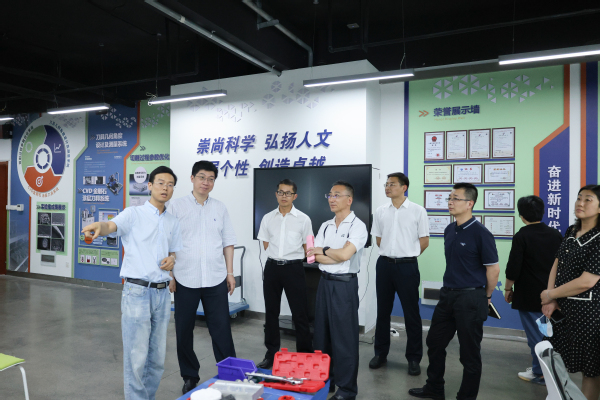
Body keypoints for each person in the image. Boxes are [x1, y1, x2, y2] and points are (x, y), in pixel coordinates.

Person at [81, 166, 182, 400]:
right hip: (137, 292)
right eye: (160, 183)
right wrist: (99, 227)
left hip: (162, 294)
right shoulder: (133, 214)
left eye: (170, 185)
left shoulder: (173, 222)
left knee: (157, 358)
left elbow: (173, 252)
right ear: (150, 186)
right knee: (136, 357)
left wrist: (172, 260)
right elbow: (110, 226)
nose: (165, 188)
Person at [409, 183, 499, 400]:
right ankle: (434, 388)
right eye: (449, 198)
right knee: (435, 342)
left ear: (470, 204)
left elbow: (493, 269)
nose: (450, 202)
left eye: (455, 198)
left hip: (471, 297)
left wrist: (486, 296)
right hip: (448, 295)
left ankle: (466, 397)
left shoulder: (481, 233)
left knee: (469, 353)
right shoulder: (449, 230)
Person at [168, 160, 237, 394]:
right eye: (201, 177)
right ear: (192, 178)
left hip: (215, 278)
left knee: (222, 330)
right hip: (184, 278)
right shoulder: (176, 207)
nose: (205, 182)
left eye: (210, 179)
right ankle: (189, 375)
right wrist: (170, 275)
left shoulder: (220, 208)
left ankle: (230, 374)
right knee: (183, 330)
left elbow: (228, 242)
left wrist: (230, 273)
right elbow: (168, 243)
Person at [307, 181, 368, 400]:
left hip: (344, 285)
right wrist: (333, 253)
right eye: (330, 195)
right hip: (324, 283)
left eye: (337, 195)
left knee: (344, 339)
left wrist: (325, 250)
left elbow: (344, 255)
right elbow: (314, 257)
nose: (331, 199)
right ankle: (326, 381)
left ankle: (346, 390)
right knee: (321, 336)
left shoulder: (357, 226)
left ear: (349, 200)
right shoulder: (325, 225)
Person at [541, 185, 600, 400]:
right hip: (564, 310)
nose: (580, 203)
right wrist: (550, 296)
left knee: (590, 371)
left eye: (588, 199)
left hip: (590, 315)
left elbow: (587, 281)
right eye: (579, 198)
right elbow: (557, 263)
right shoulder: (571, 231)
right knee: (557, 361)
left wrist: (552, 295)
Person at [369, 172, 429, 375]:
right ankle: (380, 354)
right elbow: (379, 239)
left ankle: (413, 358)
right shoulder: (380, 211)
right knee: (382, 312)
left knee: (411, 313)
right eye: (386, 184)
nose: (387, 187)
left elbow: (424, 241)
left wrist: (407, 255)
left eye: (392, 184)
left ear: (404, 187)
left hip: (407, 267)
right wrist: (391, 254)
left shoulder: (418, 211)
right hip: (384, 265)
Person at [504, 195, 562, 386]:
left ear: (521, 216)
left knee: (536, 337)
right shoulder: (555, 234)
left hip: (529, 296)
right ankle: (544, 368)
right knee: (549, 335)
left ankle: (541, 373)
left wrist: (508, 287)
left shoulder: (522, 236)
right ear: (543, 212)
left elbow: (513, 267)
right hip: (553, 295)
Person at [256, 178, 314, 369]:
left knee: (300, 314)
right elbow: (266, 244)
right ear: (276, 194)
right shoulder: (267, 218)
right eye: (281, 192)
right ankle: (271, 354)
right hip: (272, 268)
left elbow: (308, 247)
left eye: (288, 193)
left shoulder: (304, 219)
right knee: (271, 313)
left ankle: (305, 356)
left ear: (294, 196)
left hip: (294, 268)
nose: (284, 196)